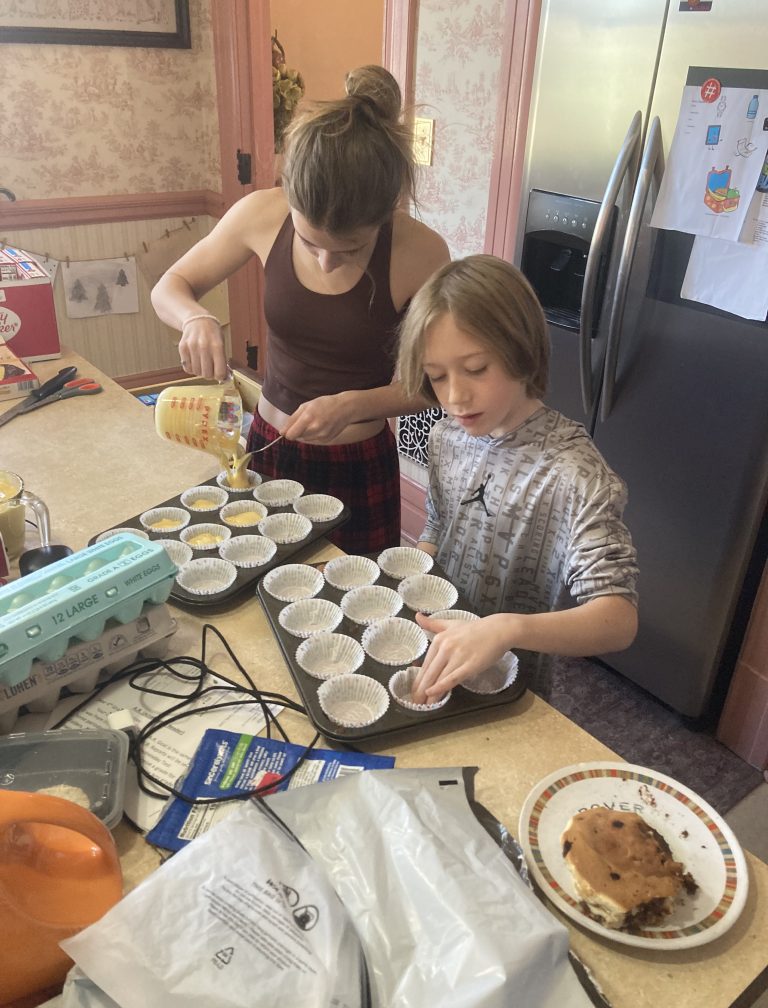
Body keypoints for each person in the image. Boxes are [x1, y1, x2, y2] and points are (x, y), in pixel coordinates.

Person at [151, 65, 449, 554]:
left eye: (350, 250)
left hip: (359, 468)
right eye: (311, 244)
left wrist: (355, 404)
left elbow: (440, 384)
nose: (327, 262)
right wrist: (195, 317)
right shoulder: (261, 213)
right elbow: (170, 286)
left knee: (358, 599)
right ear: (288, 195)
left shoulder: (423, 253)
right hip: (269, 452)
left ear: (387, 213)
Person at [395, 254, 639, 702]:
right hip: (438, 649)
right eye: (437, 377)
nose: (455, 396)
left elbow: (618, 620)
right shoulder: (446, 436)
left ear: (522, 352)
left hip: (509, 684)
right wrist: (408, 580)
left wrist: (507, 629)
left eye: (476, 369)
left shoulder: (575, 473)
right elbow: (438, 525)